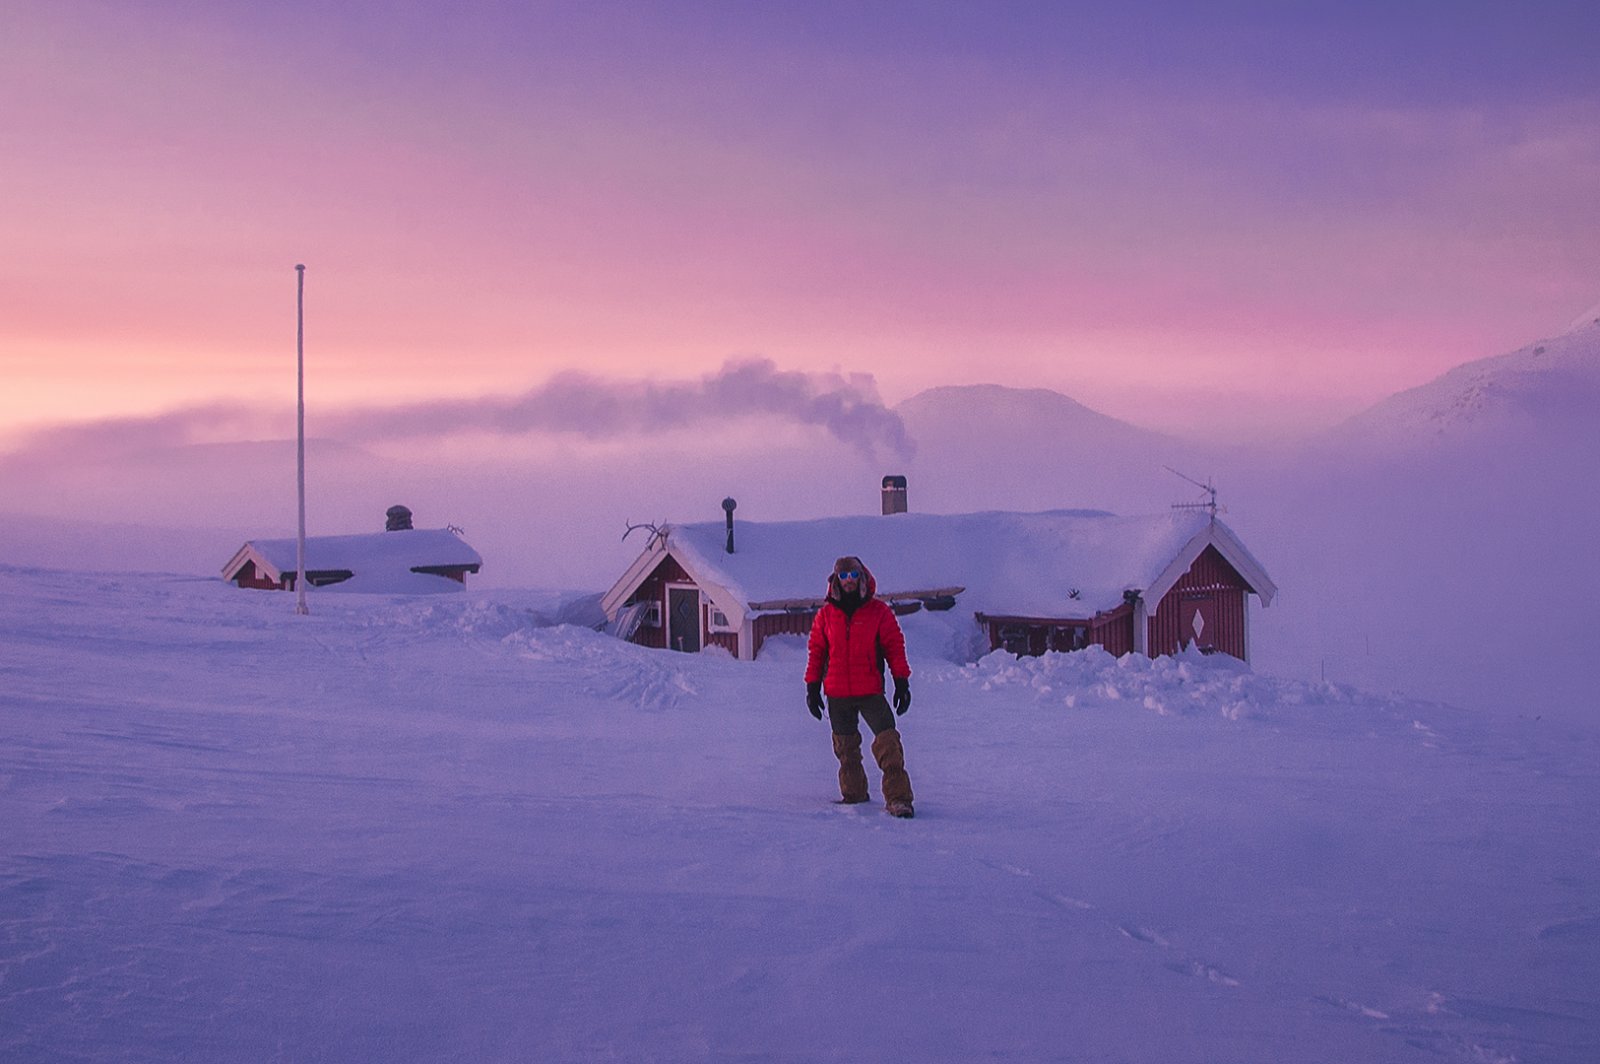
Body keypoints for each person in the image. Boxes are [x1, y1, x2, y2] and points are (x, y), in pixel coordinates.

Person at [804, 555, 915, 818]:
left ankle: (898, 798)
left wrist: (901, 681)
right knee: (846, 750)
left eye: (853, 575)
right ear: (836, 580)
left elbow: (894, 646)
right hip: (837, 693)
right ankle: (853, 794)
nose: (849, 581)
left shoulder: (879, 612)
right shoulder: (826, 615)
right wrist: (812, 687)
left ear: (862, 577)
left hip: (870, 691)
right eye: (843, 576)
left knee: (888, 744)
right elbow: (816, 651)